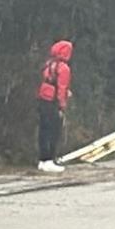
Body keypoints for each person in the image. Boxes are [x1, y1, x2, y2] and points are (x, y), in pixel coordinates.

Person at [36, 40, 73, 172]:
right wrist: (62, 106)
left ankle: (42, 160)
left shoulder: (49, 64)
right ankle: (50, 160)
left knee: (43, 130)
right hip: (53, 102)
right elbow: (61, 89)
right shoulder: (64, 68)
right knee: (53, 131)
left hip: (43, 99)